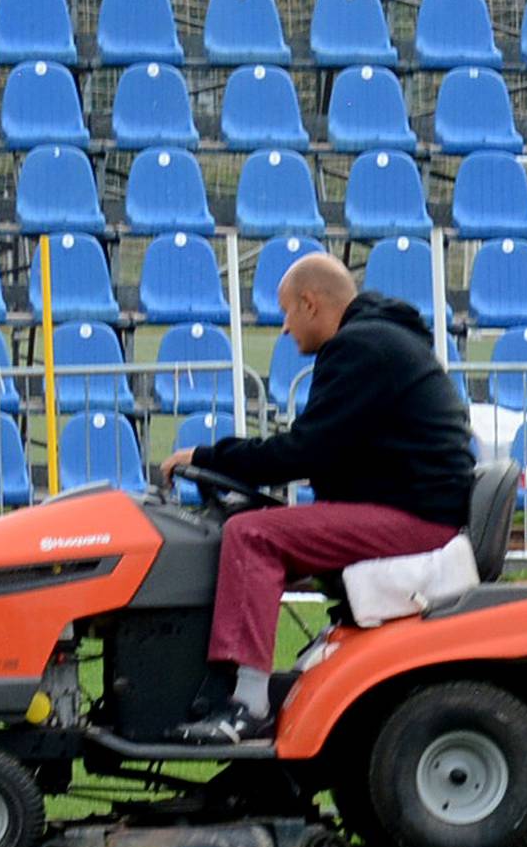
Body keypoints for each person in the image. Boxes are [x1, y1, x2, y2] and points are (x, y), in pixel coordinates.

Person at [160, 253, 477, 745]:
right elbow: (328, 451)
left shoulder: (360, 348)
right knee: (253, 522)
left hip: (417, 519)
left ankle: (247, 703)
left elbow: (305, 450)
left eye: (286, 313)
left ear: (310, 303)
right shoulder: (380, 341)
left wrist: (209, 456)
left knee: (252, 535)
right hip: (414, 507)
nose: (285, 329)